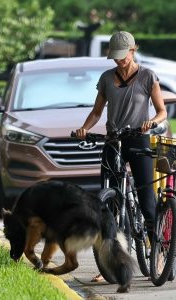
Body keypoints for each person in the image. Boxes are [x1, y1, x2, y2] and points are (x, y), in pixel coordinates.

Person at [75, 31, 167, 282]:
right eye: (115, 58)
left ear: (132, 51)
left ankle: (156, 252)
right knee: (109, 207)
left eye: (122, 57)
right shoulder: (106, 78)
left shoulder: (148, 76)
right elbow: (96, 111)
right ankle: (110, 264)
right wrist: (85, 127)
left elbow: (162, 112)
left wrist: (151, 122)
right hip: (113, 141)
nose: (119, 61)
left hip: (138, 139)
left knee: (147, 202)